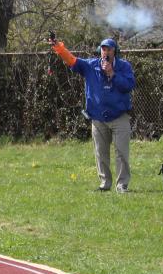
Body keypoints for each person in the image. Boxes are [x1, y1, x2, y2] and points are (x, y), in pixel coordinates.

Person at [50, 35, 136, 192]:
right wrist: (58, 47)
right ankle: (105, 184)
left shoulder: (124, 66)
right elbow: (71, 60)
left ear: (115, 51)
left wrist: (112, 74)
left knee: (122, 153)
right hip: (98, 118)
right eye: (103, 49)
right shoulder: (90, 66)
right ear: (100, 51)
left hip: (119, 116)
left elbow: (129, 85)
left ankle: (122, 185)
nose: (106, 52)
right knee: (100, 153)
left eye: (109, 49)